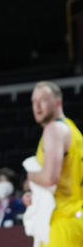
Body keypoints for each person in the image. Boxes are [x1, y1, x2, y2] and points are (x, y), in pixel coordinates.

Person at [21, 81, 83, 246]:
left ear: (58, 102)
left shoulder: (54, 130)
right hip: (75, 216)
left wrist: (31, 176)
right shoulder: (71, 129)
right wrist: (37, 196)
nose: (37, 106)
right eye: (34, 101)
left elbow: (50, 178)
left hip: (62, 220)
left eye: (43, 100)